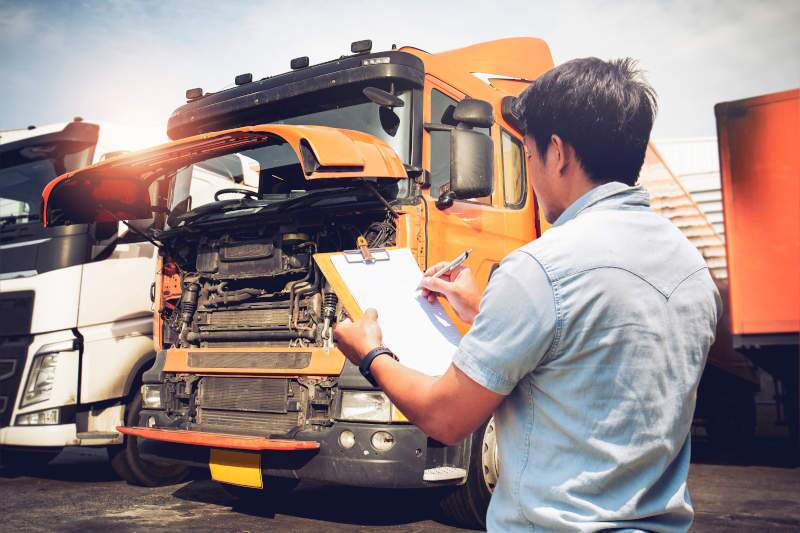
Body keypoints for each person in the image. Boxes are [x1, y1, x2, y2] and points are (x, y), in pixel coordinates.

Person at [334, 57, 721, 532]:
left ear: (557, 152)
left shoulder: (541, 268)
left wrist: (371, 353)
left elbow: (446, 417)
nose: (533, 173)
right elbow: (585, 363)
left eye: (529, 155)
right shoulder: (690, 267)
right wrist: (481, 310)